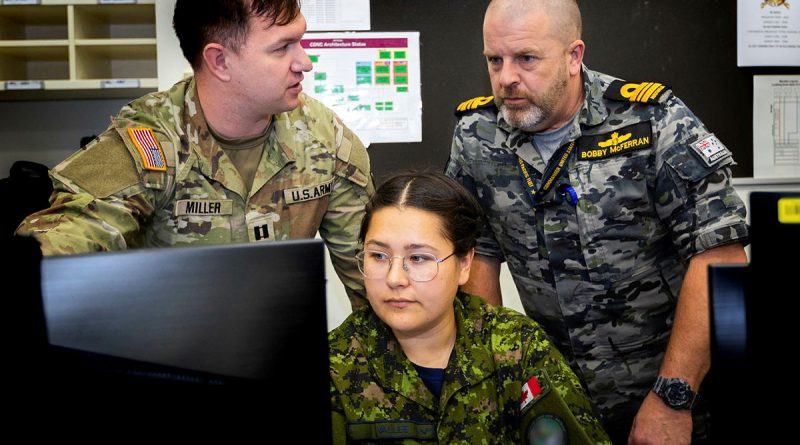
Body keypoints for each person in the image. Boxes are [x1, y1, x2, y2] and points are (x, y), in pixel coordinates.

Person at [445, 0, 748, 443]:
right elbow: (476, 260)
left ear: (573, 56)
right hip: (556, 398)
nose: (506, 77)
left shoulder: (653, 122)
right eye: (495, 60)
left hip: (677, 393)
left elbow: (721, 257)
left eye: (526, 58)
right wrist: (500, 381)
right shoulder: (477, 135)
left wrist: (672, 397)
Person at [15, 0, 373, 307]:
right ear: (219, 61)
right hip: (172, 354)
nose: (305, 62)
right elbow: (73, 233)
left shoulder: (327, 140)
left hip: (282, 347)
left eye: (300, 40)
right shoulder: (152, 141)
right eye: (282, 48)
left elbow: (371, 280)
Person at [328, 171, 610, 444]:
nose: (394, 279)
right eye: (378, 255)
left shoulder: (516, 346)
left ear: (464, 264)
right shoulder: (337, 363)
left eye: (418, 258)